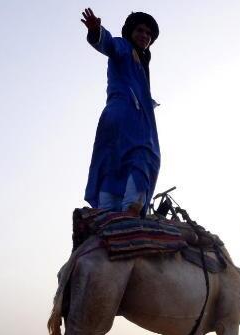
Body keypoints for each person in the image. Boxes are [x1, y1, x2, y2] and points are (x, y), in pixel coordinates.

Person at [81, 8, 161, 217]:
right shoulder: (125, 47)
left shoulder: (141, 63)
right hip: (128, 115)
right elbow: (108, 44)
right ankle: (131, 210)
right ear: (130, 33)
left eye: (149, 34)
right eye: (140, 31)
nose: (145, 36)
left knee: (114, 163)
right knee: (145, 155)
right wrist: (96, 31)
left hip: (113, 118)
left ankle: (108, 212)